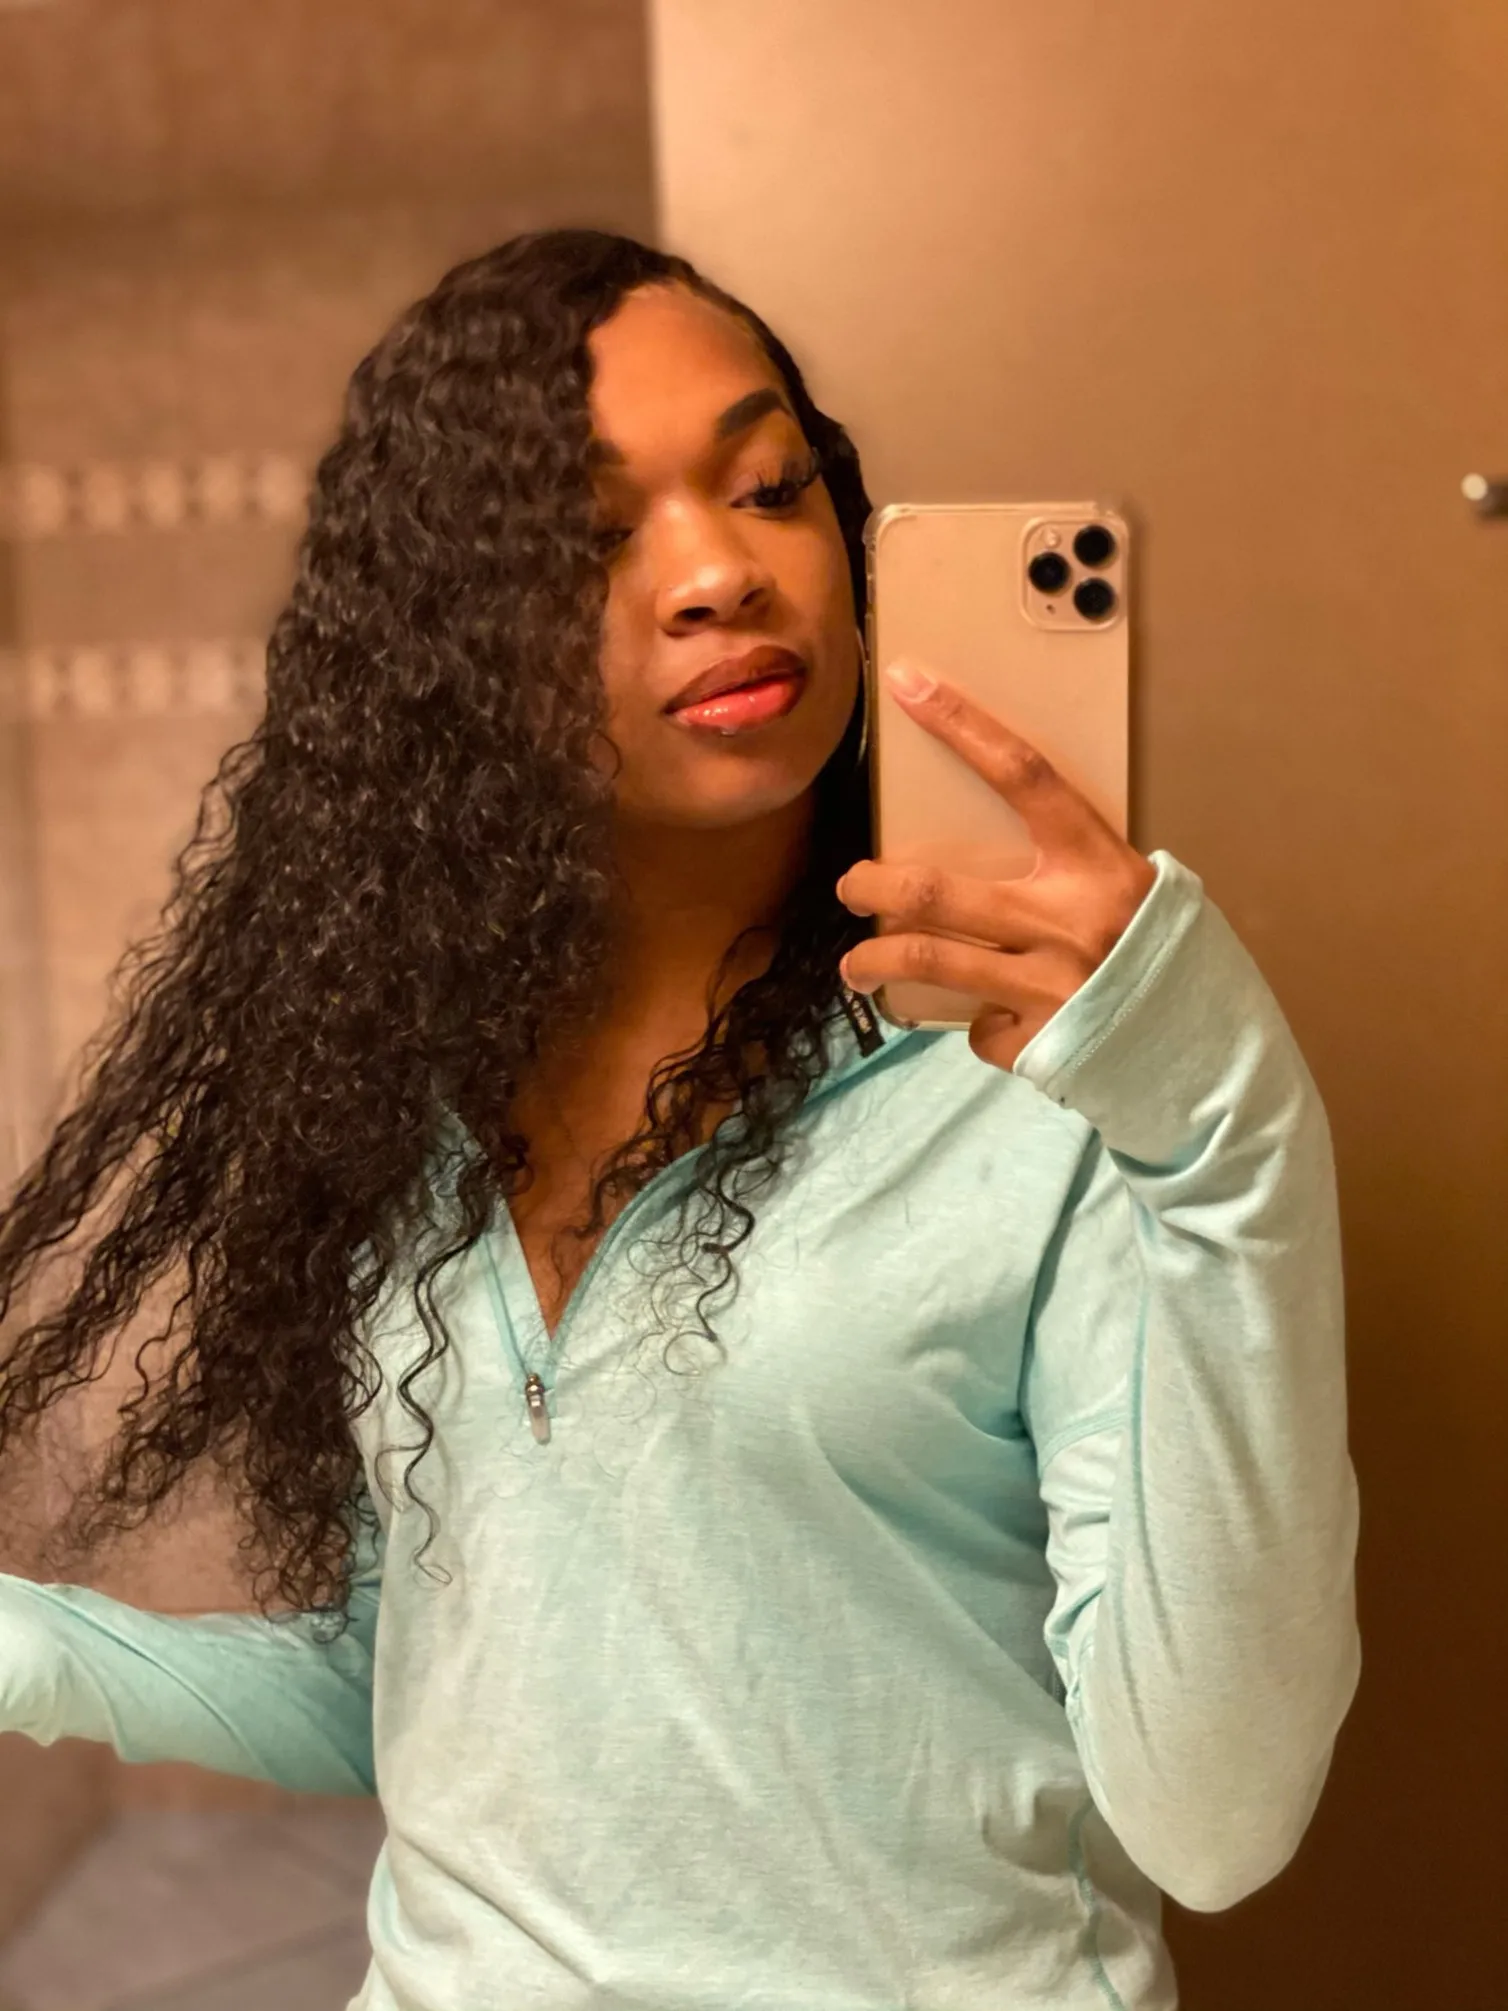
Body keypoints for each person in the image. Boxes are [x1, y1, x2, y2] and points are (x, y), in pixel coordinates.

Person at [0, 230, 1360, 2011]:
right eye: (587, 536)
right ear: (447, 650)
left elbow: (1214, 1819)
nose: (719, 570)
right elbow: (448, 1691)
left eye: (770, 485)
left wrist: (1227, 1135)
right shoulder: (405, 1101)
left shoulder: (1063, 1083)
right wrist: (31, 1648)